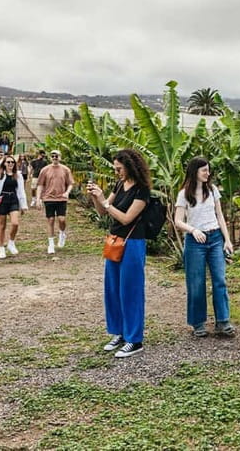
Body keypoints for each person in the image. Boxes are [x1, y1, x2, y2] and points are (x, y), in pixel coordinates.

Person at [87, 149, 151, 358]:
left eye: (119, 169)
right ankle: (119, 333)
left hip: (133, 243)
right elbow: (103, 212)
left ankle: (135, 339)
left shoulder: (142, 190)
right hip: (114, 241)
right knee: (113, 289)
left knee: (130, 291)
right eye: (115, 169)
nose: (117, 173)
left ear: (130, 166)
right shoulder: (119, 185)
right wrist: (98, 197)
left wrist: (106, 202)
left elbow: (126, 218)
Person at [173, 157, 235, 338]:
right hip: (195, 241)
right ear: (195, 172)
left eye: (208, 170)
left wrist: (227, 240)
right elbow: (178, 221)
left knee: (220, 279)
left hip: (215, 237)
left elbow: (220, 215)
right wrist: (193, 230)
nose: (207, 173)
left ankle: (223, 321)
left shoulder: (213, 190)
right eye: (204, 171)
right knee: (196, 282)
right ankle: (198, 323)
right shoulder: (184, 194)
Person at [35, 149, 74, 254]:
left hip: (61, 198)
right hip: (48, 198)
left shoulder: (65, 170)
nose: (54, 158)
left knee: (62, 219)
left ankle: (62, 233)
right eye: (52, 156)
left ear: (60, 157)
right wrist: (38, 199)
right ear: (50, 157)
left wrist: (67, 192)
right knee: (50, 220)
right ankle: (51, 244)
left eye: (56, 156)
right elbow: (40, 185)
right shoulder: (45, 170)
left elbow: (70, 183)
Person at [0, 155, 28, 259]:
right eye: (8, 162)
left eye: (12, 162)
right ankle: (1, 247)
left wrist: (23, 205)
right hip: (2, 199)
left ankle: (11, 242)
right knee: (2, 226)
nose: (10, 164)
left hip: (13, 199)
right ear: (4, 164)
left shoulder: (18, 175)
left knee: (15, 223)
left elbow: (21, 191)